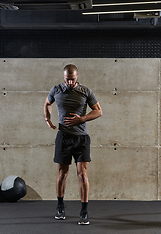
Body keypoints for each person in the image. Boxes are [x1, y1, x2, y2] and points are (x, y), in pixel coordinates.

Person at [43, 64, 102, 225]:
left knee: (82, 175)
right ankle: (60, 206)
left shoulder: (85, 91)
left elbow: (98, 111)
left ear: (77, 76)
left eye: (73, 79)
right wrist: (47, 118)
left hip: (81, 138)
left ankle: (84, 211)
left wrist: (81, 119)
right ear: (64, 77)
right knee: (62, 174)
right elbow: (47, 103)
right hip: (63, 137)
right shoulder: (56, 90)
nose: (69, 82)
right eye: (67, 80)